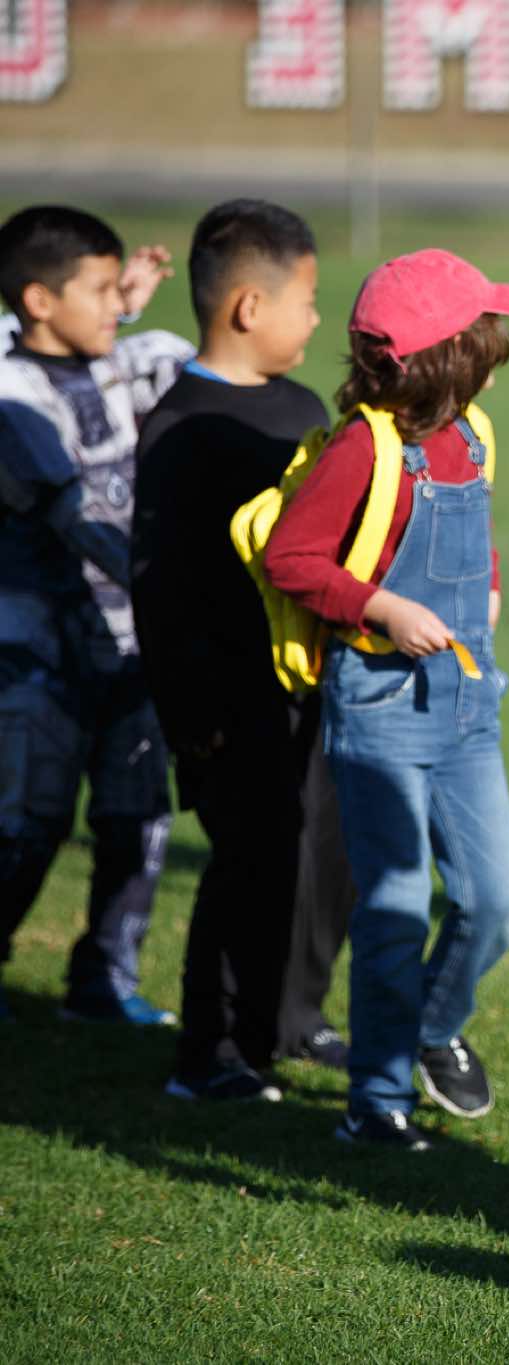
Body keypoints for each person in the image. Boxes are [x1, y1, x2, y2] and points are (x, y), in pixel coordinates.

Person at [265, 249, 509, 1149]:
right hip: (379, 705)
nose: (497, 355)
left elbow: (477, 536)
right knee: (393, 905)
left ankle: (430, 1027)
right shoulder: (364, 447)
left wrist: (488, 590)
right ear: (449, 357)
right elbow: (291, 557)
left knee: (496, 896)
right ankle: (376, 1102)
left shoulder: (474, 432)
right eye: (486, 340)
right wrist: (382, 608)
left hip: (466, 699)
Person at [133, 198, 354, 1101]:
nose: (317, 319)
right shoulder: (179, 428)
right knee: (249, 863)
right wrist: (192, 717)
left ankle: (294, 1015)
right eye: (307, 300)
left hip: (315, 686)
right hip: (227, 701)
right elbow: (159, 588)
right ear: (249, 306)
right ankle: (212, 1050)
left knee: (324, 855)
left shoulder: (302, 409)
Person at [0, 205, 188, 1026]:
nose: (122, 303)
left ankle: (105, 979)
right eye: (102, 290)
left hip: (133, 643)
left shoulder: (121, 363)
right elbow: (75, 518)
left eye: (122, 289)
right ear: (40, 301)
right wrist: (172, 587)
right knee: (27, 821)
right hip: (38, 651)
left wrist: (122, 308)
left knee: (137, 815)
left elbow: (202, 368)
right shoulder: (11, 395)